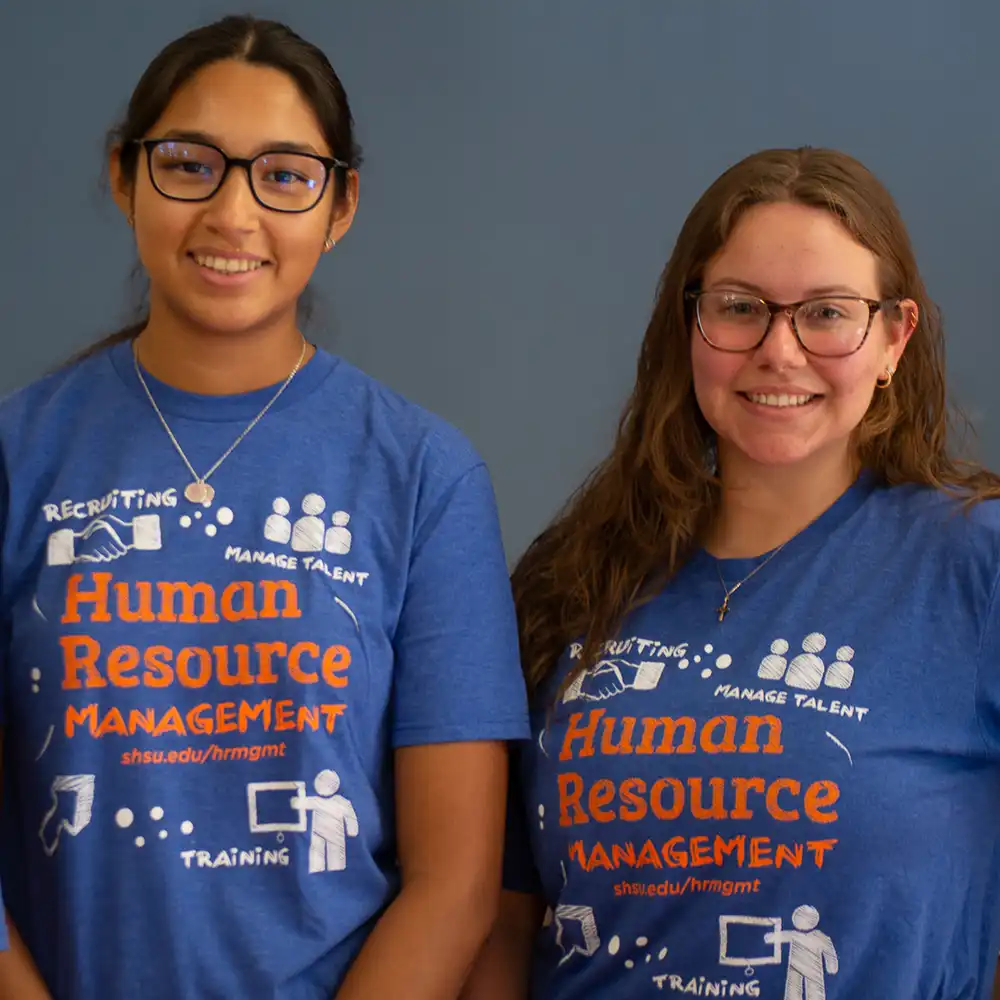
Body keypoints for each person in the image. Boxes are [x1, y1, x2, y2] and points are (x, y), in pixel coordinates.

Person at [0, 15, 528, 1000]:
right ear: (123, 177)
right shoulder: (18, 456)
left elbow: (455, 884)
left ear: (340, 205)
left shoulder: (425, 476)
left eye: (284, 175)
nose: (233, 215)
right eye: (190, 164)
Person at [461, 147, 1000, 999]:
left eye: (827, 313)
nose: (779, 351)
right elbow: (502, 915)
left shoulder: (976, 566)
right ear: (689, 326)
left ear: (895, 338)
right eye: (741, 308)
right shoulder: (575, 577)